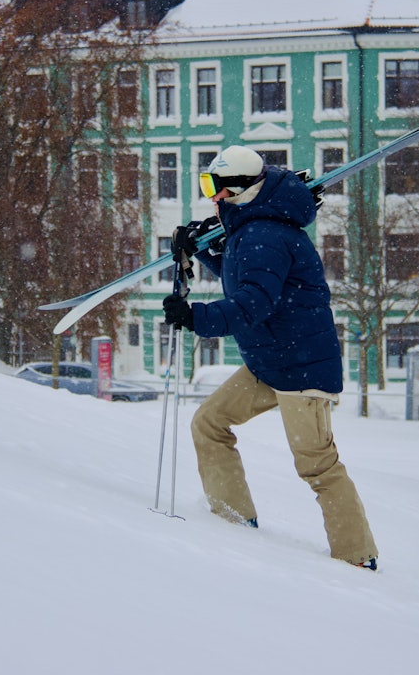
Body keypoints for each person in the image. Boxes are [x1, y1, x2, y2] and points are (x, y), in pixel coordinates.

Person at [162, 145, 378, 570]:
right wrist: (199, 248)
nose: (213, 197)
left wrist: (195, 316)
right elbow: (240, 271)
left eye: (217, 188)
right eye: (207, 185)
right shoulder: (255, 228)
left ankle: (358, 558)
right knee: (210, 423)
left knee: (318, 466)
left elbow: (252, 303)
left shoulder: (266, 235)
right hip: (271, 363)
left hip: (302, 371)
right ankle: (231, 522)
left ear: (243, 190)